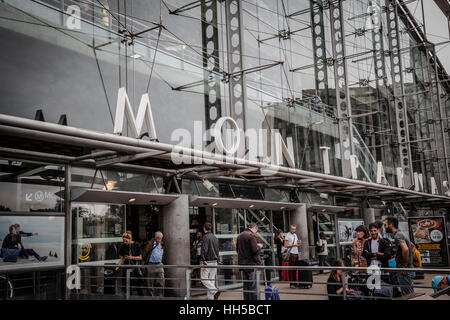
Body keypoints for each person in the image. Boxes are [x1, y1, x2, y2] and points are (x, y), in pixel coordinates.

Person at [384, 217, 415, 296]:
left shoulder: (398, 235)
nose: (384, 227)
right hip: (409, 269)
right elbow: (413, 246)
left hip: (404, 271)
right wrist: (410, 260)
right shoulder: (401, 233)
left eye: (385, 225)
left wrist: (404, 265)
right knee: (410, 294)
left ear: (391, 225)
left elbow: (406, 249)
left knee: (407, 295)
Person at [236, 222, 263, 300]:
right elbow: (254, 250)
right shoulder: (251, 236)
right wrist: (259, 246)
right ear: (254, 228)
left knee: (246, 286)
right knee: (253, 286)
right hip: (251, 264)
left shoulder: (240, 235)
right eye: (256, 230)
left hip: (243, 265)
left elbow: (237, 250)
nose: (256, 232)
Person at [116, 232, 145, 296]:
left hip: (135, 269)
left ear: (130, 239)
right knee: (128, 287)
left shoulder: (137, 245)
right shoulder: (123, 246)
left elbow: (140, 257)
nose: (125, 242)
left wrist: (131, 257)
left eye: (126, 241)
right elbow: (122, 258)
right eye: (123, 241)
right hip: (126, 269)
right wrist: (117, 266)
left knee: (138, 287)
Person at [199, 222, 220, 300]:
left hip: (207, 261)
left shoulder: (205, 237)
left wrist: (202, 261)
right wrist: (217, 259)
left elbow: (204, 249)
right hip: (215, 261)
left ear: (204, 228)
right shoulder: (215, 237)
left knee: (203, 278)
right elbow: (217, 249)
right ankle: (210, 298)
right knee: (211, 280)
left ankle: (215, 291)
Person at [142, 231, 165, 297]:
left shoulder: (162, 244)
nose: (160, 240)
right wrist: (146, 262)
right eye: (159, 238)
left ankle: (160, 296)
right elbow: (144, 253)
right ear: (156, 238)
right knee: (150, 282)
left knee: (161, 281)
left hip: (159, 264)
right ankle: (150, 296)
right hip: (151, 264)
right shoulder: (150, 243)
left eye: (161, 238)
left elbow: (163, 254)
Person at [284, 224, 301, 288]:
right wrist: (294, 245)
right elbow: (285, 245)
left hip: (296, 253)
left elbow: (296, 244)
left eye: (294, 229)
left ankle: (295, 282)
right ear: (290, 229)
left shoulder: (295, 235)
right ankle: (292, 284)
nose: (293, 230)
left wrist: (299, 243)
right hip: (291, 253)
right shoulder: (287, 235)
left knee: (295, 268)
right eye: (292, 229)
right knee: (291, 269)